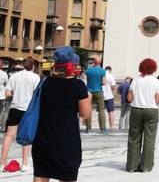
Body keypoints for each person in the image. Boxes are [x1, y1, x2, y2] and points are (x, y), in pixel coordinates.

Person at [32, 47, 91, 182]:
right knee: (67, 177)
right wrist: (89, 97)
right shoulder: (78, 85)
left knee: (41, 175)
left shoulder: (44, 82)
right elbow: (85, 114)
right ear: (72, 65)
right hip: (66, 141)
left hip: (43, 138)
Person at [0, 58, 40, 172]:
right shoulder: (35, 77)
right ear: (33, 67)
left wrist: (16, 94)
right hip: (28, 110)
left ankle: (2, 163)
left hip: (15, 108)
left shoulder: (14, 76)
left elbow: (7, 93)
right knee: (26, 136)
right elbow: (36, 95)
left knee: (9, 136)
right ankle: (25, 164)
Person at [126, 58, 159, 173]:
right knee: (149, 138)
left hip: (136, 110)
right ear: (154, 68)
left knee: (134, 138)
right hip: (151, 110)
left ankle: (132, 166)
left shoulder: (136, 80)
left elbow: (129, 98)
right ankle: (146, 166)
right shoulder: (156, 81)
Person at [84, 56, 107, 134]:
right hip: (98, 91)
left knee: (88, 109)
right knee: (101, 110)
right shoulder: (102, 71)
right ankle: (103, 128)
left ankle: (88, 128)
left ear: (94, 62)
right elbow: (104, 82)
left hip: (89, 91)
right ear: (100, 62)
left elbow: (86, 81)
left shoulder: (88, 70)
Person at [103, 66, 117, 130]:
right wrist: (114, 93)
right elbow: (113, 87)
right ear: (110, 70)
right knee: (111, 111)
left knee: (101, 111)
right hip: (109, 96)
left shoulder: (101, 74)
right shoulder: (111, 76)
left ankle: (102, 126)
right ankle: (111, 127)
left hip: (101, 95)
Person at [0, 66, 8, 132]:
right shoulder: (4, 73)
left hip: (2, 94)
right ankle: (2, 126)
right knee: (2, 111)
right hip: (1, 95)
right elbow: (7, 83)